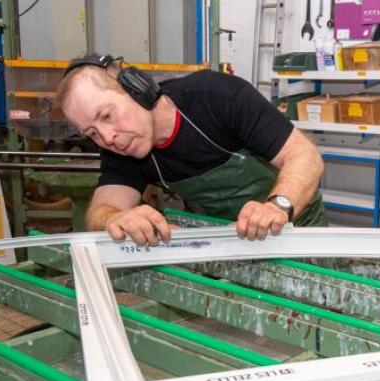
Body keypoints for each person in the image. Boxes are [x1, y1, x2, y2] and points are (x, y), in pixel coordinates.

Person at [56, 53, 327, 246]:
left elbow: (305, 155)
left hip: (297, 230)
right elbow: (100, 210)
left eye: (106, 115)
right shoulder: (121, 146)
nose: (107, 137)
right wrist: (118, 217)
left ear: (137, 88)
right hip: (230, 242)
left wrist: (277, 207)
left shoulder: (216, 96)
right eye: (91, 133)